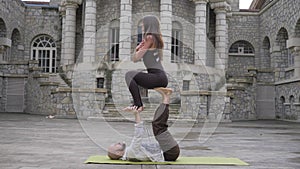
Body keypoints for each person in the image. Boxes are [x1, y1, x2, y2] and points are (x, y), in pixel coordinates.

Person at [108, 88, 180, 162]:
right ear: (118, 153)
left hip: (167, 150)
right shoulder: (131, 153)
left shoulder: (130, 151)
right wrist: (136, 114)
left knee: (157, 126)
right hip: (169, 153)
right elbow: (138, 135)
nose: (117, 142)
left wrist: (137, 111)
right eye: (114, 145)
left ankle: (165, 96)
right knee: (158, 126)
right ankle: (166, 96)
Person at [123, 15, 167, 113]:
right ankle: (137, 104)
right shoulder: (155, 38)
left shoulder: (149, 37)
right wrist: (138, 49)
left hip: (157, 77)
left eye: (143, 25)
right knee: (131, 75)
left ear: (148, 25)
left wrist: (137, 49)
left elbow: (135, 58)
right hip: (160, 77)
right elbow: (136, 58)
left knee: (129, 75)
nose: (142, 27)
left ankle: (138, 105)